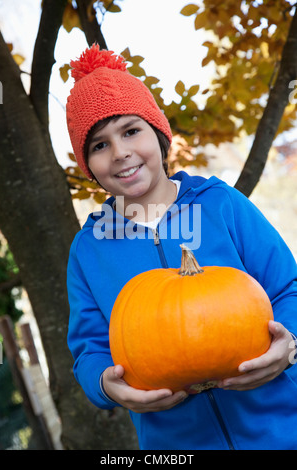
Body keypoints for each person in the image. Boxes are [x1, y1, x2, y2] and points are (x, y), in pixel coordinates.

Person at [66, 44, 297, 450]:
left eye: (131, 131)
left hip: (282, 428)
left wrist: (288, 345)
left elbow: (287, 288)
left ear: (158, 134)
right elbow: (89, 349)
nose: (120, 153)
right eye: (99, 145)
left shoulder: (220, 204)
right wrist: (107, 385)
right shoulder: (89, 250)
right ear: (88, 165)